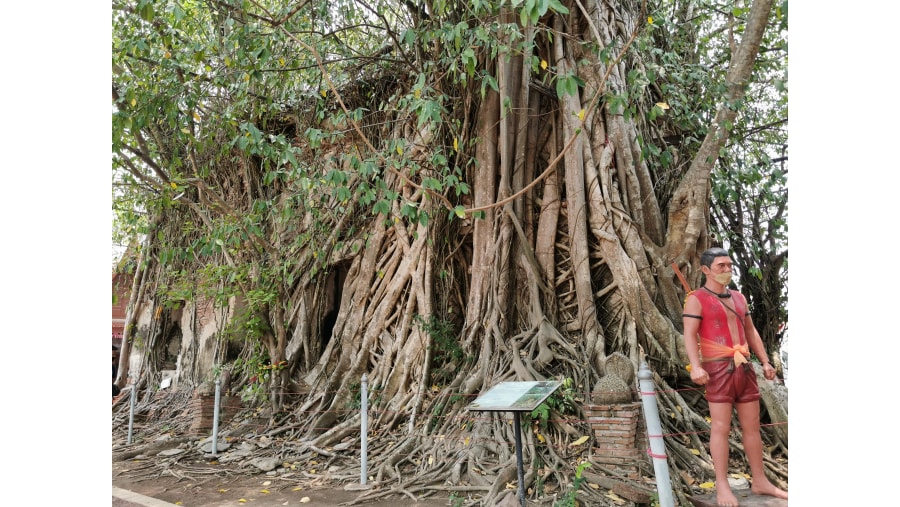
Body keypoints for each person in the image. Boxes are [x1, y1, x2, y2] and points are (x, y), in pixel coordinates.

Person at [682, 247, 787, 506]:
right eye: (721, 266)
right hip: (718, 369)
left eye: (729, 265)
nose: (727, 270)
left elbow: (751, 332)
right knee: (720, 427)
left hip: (744, 368)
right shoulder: (696, 298)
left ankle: (760, 480)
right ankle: (722, 486)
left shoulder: (739, 298)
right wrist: (696, 366)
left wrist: (764, 361)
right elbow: (689, 335)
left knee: (753, 428)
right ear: (706, 270)